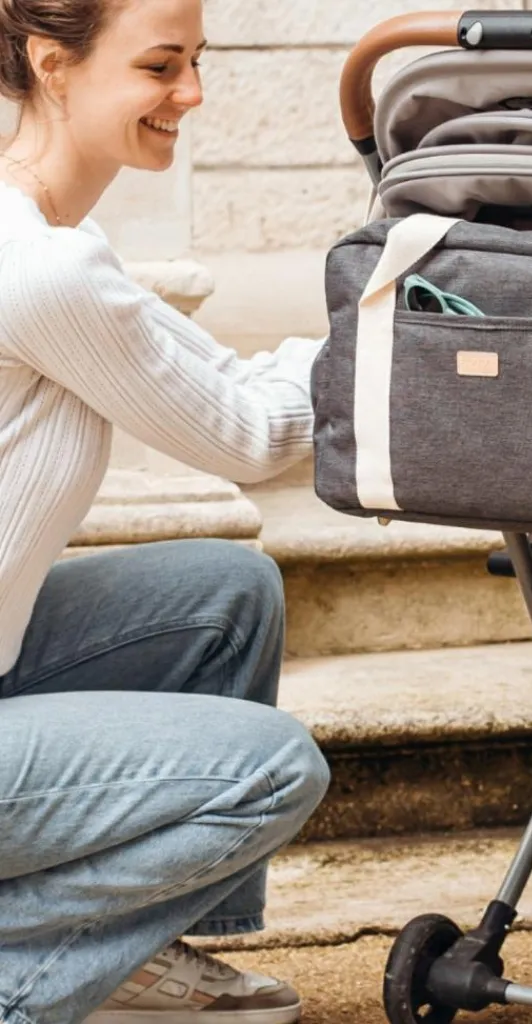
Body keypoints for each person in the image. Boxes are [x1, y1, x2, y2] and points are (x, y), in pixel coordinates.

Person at [0, 0, 335, 1022]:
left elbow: (228, 376)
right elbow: (250, 435)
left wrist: (370, 335)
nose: (192, 93)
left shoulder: (52, 235)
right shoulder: (39, 270)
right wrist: (406, 344)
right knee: (271, 770)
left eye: (196, 60)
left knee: (223, 593)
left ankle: (137, 955)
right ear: (55, 65)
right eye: (160, 66)